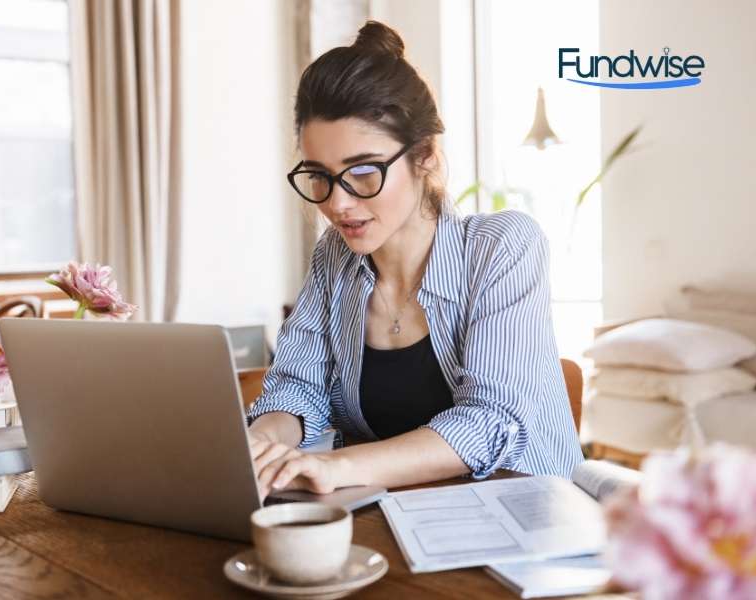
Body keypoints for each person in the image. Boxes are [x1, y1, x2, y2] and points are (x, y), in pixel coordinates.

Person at [247, 20, 583, 500]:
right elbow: (296, 387)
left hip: (525, 521)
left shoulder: (503, 247)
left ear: (423, 156)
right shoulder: (334, 259)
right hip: (402, 523)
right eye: (318, 175)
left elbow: (489, 423)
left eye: (362, 172)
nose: (337, 204)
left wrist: (332, 465)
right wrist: (263, 442)